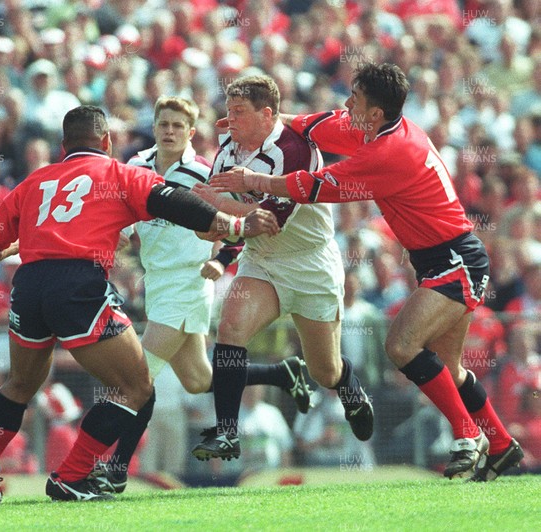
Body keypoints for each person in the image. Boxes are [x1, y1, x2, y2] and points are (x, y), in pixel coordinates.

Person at [210, 63, 523, 481]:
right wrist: (267, 119)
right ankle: (500, 444)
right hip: (437, 260)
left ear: (373, 112)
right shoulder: (377, 128)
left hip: (456, 260)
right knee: (449, 366)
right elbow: (318, 125)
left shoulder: (390, 153)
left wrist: (254, 180)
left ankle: (468, 434)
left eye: (353, 99)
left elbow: (314, 186)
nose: (345, 104)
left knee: (401, 345)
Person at [0, 105, 280, 505]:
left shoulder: (35, 180)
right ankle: (72, 477)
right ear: (107, 142)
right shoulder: (118, 173)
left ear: (63, 147)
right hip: (79, 284)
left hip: (29, 285)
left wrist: (20, 243)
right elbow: (176, 202)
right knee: (136, 387)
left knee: (19, 385)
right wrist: (235, 226)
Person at [91, 97, 312, 493]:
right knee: (197, 379)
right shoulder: (136, 167)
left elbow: (243, 217)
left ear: (191, 132)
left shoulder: (202, 172)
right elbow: (122, 222)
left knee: (141, 376)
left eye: (178, 125)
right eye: (164, 124)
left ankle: (115, 469)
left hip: (190, 281)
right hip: (157, 283)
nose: (170, 131)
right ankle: (282, 373)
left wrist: (223, 259)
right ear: (155, 127)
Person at [191, 75, 374, 462]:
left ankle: (348, 385)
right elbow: (229, 220)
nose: (230, 120)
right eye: (228, 111)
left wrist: (213, 205)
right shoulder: (228, 148)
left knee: (324, 370)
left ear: (267, 114)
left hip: (309, 263)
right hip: (261, 260)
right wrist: (212, 231)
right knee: (230, 329)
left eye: (239, 112)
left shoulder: (295, 150)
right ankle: (226, 432)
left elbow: (268, 219)